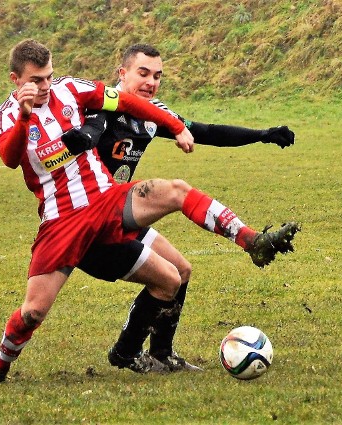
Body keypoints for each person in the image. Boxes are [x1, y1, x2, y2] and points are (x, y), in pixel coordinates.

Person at [0, 39, 298, 385]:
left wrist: (199, 128)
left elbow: (147, 110)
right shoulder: (5, 116)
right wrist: (26, 116)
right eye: (36, 80)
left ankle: (250, 242)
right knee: (33, 312)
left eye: (49, 77)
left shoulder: (71, 89)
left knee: (177, 219)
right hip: (64, 221)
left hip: (109, 200)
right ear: (16, 79)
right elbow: (10, 157)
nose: (45, 86)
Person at [65, 44, 298, 373]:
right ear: (122, 73)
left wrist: (261, 134)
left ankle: (161, 354)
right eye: (143, 73)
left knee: (181, 271)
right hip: (89, 225)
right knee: (170, 258)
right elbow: (86, 129)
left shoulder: (151, 113)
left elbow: (205, 132)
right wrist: (86, 135)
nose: (150, 82)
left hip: (118, 214)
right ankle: (127, 351)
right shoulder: (99, 105)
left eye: (157, 76)